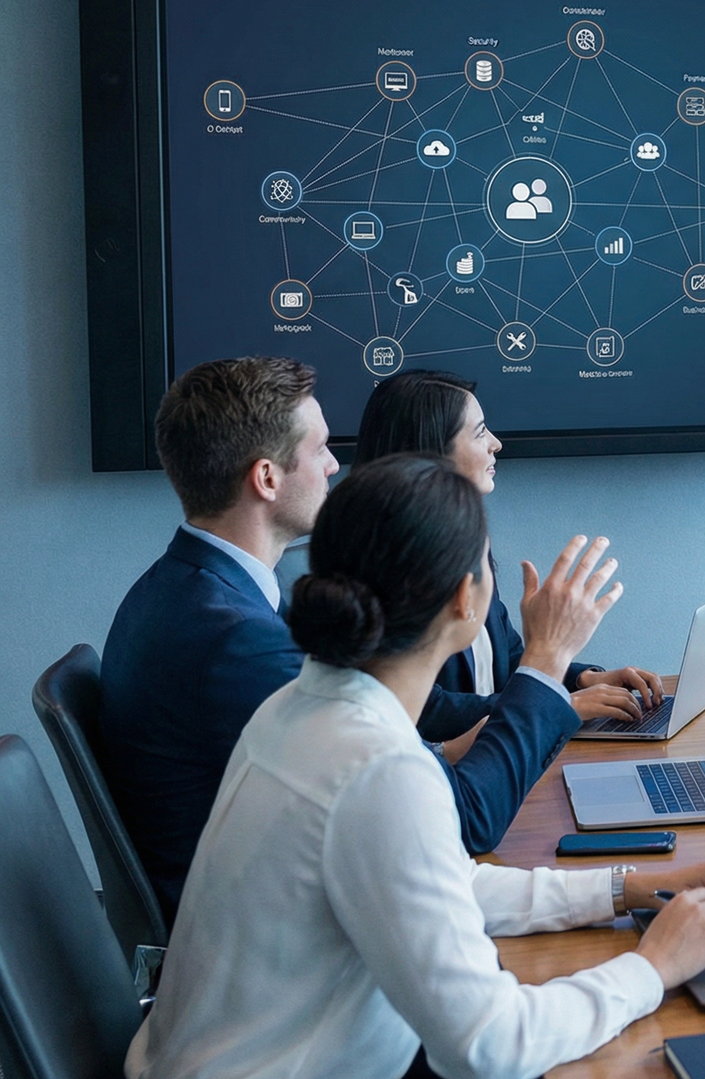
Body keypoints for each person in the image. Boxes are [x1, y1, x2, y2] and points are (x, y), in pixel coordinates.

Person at [125, 454, 705, 1079]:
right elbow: (488, 1047)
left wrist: (626, 887)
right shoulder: (378, 767)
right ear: (466, 600)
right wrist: (652, 966)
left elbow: (442, 882)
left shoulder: (306, 705)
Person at [99, 358, 588, 912]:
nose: (335, 466)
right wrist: (546, 660)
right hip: (275, 938)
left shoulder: (177, 591)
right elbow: (465, 821)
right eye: (320, 449)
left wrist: (441, 748)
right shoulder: (238, 643)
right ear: (266, 478)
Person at [355, 370, 665, 741]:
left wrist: (583, 679)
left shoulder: (464, 538)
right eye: (480, 432)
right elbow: (423, 710)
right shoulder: (377, 566)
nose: (496, 444)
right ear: (430, 451)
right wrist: (556, 705)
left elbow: (507, 658)